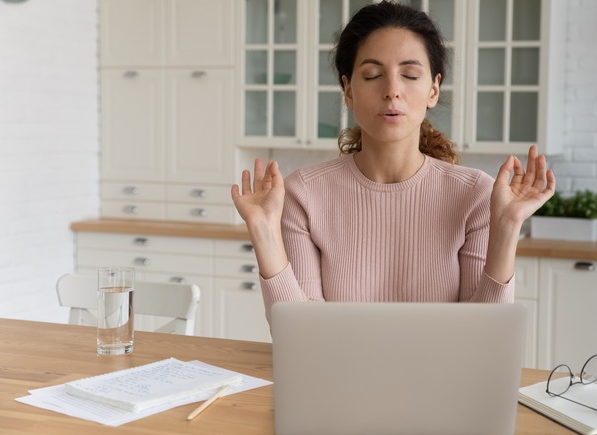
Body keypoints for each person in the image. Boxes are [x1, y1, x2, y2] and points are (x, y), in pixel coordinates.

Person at [231, 1, 555, 325]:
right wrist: (263, 232)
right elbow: (300, 333)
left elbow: (484, 336)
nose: (392, 91)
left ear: (433, 90)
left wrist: (507, 226)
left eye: (410, 75)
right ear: (348, 90)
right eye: (372, 75)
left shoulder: (475, 195)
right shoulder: (304, 194)